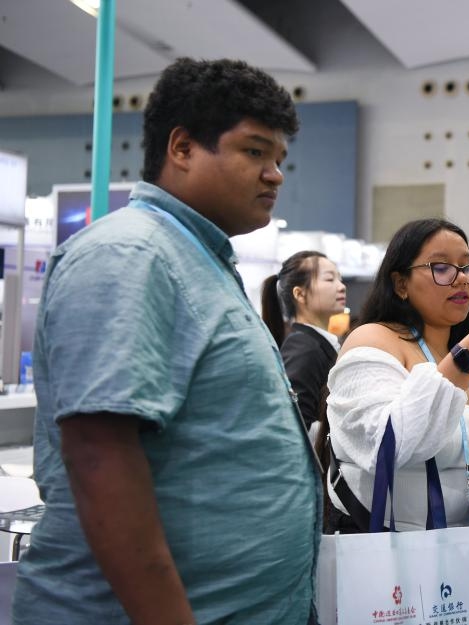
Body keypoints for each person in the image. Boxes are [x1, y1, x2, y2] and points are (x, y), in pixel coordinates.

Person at [12, 58, 320, 625]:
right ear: (181, 148)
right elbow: (100, 456)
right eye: (255, 151)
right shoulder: (131, 255)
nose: (275, 174)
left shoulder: (197, 260)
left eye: (279, 159)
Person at [325, 218, 469, 531]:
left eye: (467, 267)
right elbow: (388, 444)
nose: (461, 279)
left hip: (467, 553)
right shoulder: (373, 339)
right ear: (400, 283)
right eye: (441, 267)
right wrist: (468, 357)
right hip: (394, 555)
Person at [261, 251, 347, 534]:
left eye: (340, 277)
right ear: (300, 293)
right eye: (329, 278)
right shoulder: (303, 347)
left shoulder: (318, 343)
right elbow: (297, 427)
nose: (341, 285)